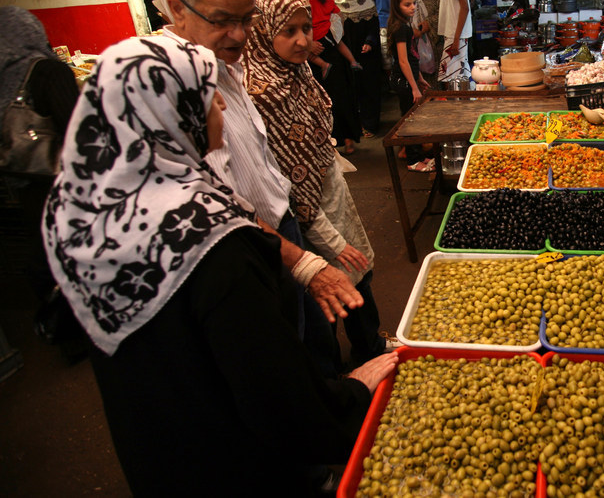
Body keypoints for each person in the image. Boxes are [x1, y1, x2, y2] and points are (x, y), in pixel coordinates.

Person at [42, 32, 397, 495]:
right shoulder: (213, 244)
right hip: (237, 462)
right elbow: (275, 398)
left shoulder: (79, 216)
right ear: (170, 114)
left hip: (160, 456)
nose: (223, 107)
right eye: (207, 94)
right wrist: (352, 393)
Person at [161, 0, 361, 326]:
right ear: (177, 10)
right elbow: (216, 204)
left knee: (306, 329)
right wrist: (302, 261)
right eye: (222, 20)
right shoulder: (177, 85)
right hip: (250, 242)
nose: (239, 35)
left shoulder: (228, 66)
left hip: (281, 223)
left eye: (247, 19)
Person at [243, 0, 393, 365]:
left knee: (358, 270)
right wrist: (325, 233)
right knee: (321, 293)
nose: (300, 41)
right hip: (301, 214)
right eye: (287, 31)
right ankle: (331, 376)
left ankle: (369, 346)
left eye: (305, 29)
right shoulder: (259, 92)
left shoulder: (300, 73)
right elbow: (284, 183)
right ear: (262, 30)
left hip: (331, 190)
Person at [0, 7, 83, 359]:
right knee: (75, 253)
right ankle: (85, 331)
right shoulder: (47, 70)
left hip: (24, 182)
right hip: (61, 178)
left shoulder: (5, 76)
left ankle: (62, 335)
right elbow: (78, 130)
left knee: (45, 254)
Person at [309, 0, 362, 155]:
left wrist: (310, 45)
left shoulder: (306, 6)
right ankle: (347, 141)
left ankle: (328, 144)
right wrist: (353, 60)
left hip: (317, 60)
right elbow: (339, 40)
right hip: (335, 59)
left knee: (323, 104)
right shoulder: (332, 6)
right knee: (342, 101)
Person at [331, 0, 383, 136]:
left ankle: (370, 125)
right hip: (343, 53)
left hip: (365, 53)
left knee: (368, 88)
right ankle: (353, 127)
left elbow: (373, 25)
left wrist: (369, 42)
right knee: (349, 90)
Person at [386, 0, 433, 172]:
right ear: (397, 6)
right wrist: (414, 87)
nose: (412, 7)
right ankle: (413, 160)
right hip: (403, 81)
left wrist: (419, 77)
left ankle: (414, 154)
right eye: (407, 5)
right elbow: (403, 61)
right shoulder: (401, 29)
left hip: (409, 78)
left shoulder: (405, 25)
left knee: (412, 118)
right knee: (410, 121)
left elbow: (412, 57)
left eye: (414, 3)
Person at [401, 0, 440, 87]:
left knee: (433, 72)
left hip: (432, 38)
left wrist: (428, 24)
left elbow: (441, 11)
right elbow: (397, 17)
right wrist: (410, 32)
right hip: (410, 39)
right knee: (415, 71)